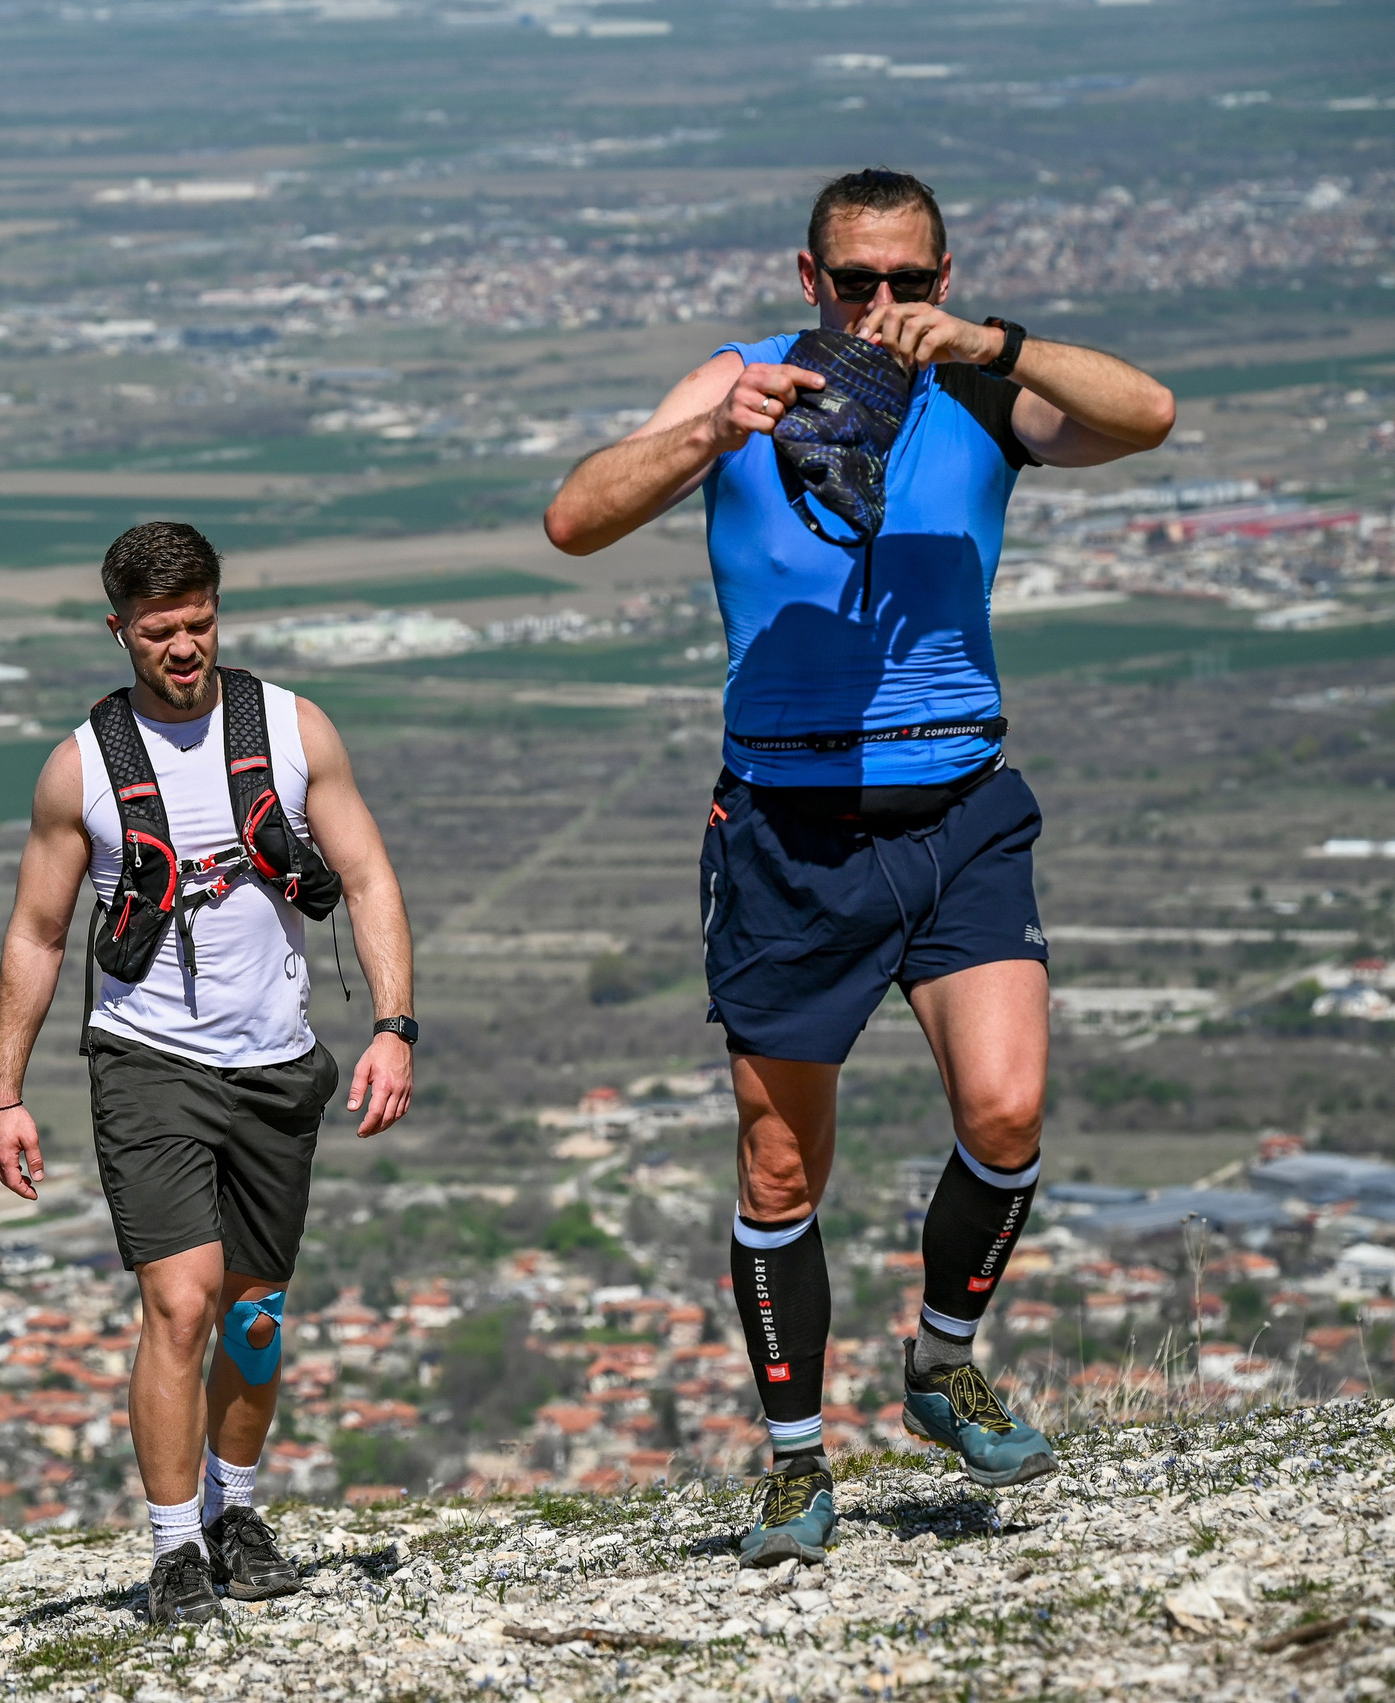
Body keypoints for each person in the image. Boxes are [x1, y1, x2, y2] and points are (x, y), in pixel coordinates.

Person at [544, 168, 1174, 1565]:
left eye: (911, 281)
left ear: (946, 274)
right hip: (787, 824)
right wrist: (714, 429)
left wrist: (992, 345)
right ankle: (793, 1457)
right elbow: (577, 516)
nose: (883, 308)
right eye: (855, 283)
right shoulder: (742, 379)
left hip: (960, 808)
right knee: (780, 1165)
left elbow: (1149, 416)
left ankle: (942, 1359)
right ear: (809, 278)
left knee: (1006, 1113)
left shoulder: (980, 386)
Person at [0, 521, 419, 1625]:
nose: (183, 647)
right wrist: (4, 1092)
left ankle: (235, 1507)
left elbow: (365, 876)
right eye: (159, 630)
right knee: (180, 1304)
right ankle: (175, 1544)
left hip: (278, 1062)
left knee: (253, 1316)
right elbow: (35, 936)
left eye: (200, 623)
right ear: (119, 628)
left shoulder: (290, 728)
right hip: (147, 1060)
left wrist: (394, 1024)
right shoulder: (79, 768)